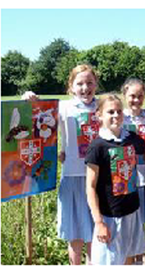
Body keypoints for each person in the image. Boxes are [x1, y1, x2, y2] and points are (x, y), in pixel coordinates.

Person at [23, 64, 101, 264]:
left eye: (89, 82)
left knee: (95, 232)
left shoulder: (103, 106)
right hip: (73, 176)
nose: (85, 87)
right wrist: (30, 99)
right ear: (71, 87)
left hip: (99, 178)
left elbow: (127, 116)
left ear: (96, 84)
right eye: (80, 83)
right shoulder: (64, 107)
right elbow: (40, 116)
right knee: (75, 235)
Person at [85, 94, 145, 266]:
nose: (115, 115)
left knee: (128, 255)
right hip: (110, 215)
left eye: (119, 111)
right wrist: (98, 222)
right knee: (109, 260)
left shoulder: (132, 139)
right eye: (110, 112)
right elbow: (90, 187)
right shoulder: (97, 146)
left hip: (131, 209)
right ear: (99, 115)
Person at [120, 78, 145, 264]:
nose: (136, 100)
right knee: (130, 224)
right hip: (127, 178)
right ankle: (129, 258)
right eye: (132, 96)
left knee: (142, 223)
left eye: (140, 96)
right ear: (124, 96)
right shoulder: (120, 117)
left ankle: (140, 259)